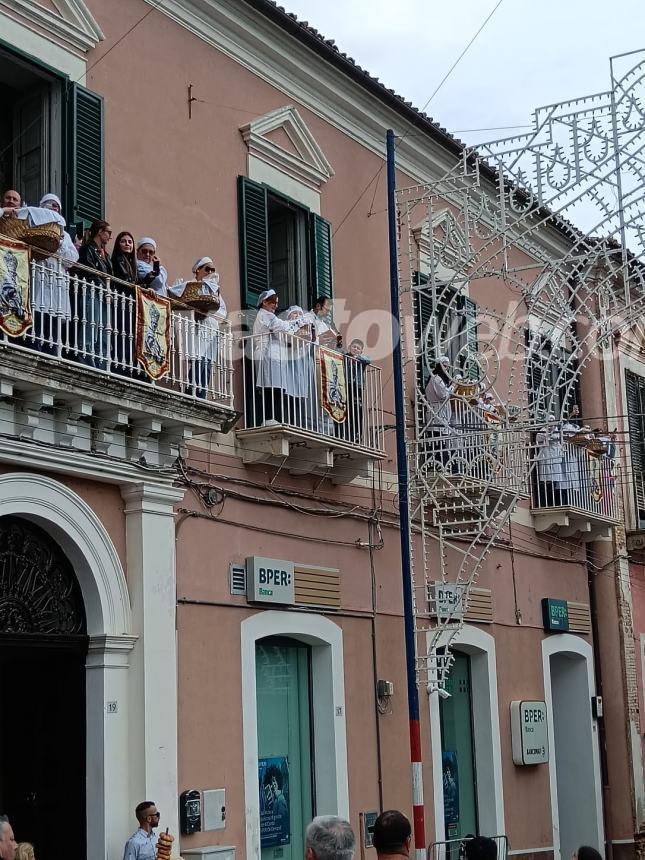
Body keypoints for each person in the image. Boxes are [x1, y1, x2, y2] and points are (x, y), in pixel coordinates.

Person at [169, 256, 227, 398]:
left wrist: (208, 312)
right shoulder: (190, 286)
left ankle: (201, 395)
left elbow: (223, 312)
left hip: (210, 332)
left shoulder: (215, 291)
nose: (210, 272)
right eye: (207, 268)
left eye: (212, 269)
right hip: (195, 330)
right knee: (197, 363)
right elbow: (177, 297)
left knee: (206, 368)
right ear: (198, 270)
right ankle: (192, 393)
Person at [28, 193, 78, 355]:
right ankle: (37, 350)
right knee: (38, 316)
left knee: (54, 323)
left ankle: (53, 354)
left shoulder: (66, 236)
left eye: (56, 206)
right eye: (49, 205)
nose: (53, 208)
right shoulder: (34, 226)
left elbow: (71, 259)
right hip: (39, 279)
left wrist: (60, 241)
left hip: (58, 283)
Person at [251, 289, 306, 425]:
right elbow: (281, 326)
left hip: (274, 357)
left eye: (276, 303)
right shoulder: (266, 315)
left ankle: (273, 418)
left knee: (276, 388)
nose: (275, 306)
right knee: (272, 388)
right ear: (264, 302)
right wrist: (298, 321)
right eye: (273, 303)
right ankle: (269, 418)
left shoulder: (267, 315)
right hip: (268, 356)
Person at [74, 220, 113, 368]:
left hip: (104, 295)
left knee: (103, 332)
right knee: (90, 327)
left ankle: (100, 365)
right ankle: (87, 361)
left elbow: (109, 274)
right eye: (108, 232)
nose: (110, 236)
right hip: (92, 291)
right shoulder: (87, 249)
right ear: (100, 232)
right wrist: (104, 285)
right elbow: (89, 270)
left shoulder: (106, 255)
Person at [110, 231, 138, 374]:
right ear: (118, 244)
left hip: (129, 304)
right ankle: (122, 367)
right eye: (123, 241)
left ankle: (128, 366)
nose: (127, 244)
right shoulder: (118, 259)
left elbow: (134, 282)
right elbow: (127, 281)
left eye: (130, 242)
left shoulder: (132, 264)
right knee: (122, 334)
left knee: (129, 336)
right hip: (122, 303)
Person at [341, 338, 371, 443]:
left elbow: (368, 360)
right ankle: (346, 434)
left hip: (357, 386)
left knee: (357, 411)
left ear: (361, 351)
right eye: (354, 347)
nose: (355, 349)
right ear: (349, 347)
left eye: (358, 348)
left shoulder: (361, 359)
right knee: (347, 409)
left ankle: (357, 435)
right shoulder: (345, 356)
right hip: (346, 385)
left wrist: (357, 357)